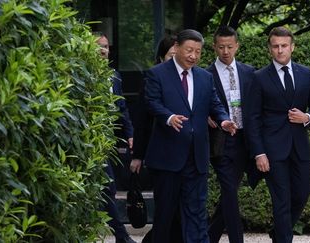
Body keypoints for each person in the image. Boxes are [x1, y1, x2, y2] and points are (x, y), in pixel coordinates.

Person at [143, 29, 236, 243]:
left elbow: (214, 104)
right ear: (176, 47)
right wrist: (169, 117)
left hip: (196, 158)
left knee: (196, 214)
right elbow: (152, 102)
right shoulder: (157, 73)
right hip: (167, 157)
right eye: (189, 50)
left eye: (198, 51)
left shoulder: (205, 77)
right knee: (165, 216)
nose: (193, 56)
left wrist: (223, 120)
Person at [246, 26, 310, 243]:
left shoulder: (305, 74)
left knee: (302, 193)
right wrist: (259, 152)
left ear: (292, 47)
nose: (280, 50)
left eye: (284, 46)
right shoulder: (259, 77)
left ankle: (279, 231)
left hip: (299, 146)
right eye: (275, 46)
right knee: (281, 200)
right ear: (270, 49)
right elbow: (252, 119)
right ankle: (283, 238)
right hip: (272, 150)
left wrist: (306, 117)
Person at [130, 35, 183, 243]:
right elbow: (142, 122)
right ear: (161, 58)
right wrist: (138, 155)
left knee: (182, 209)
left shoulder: (191, 79)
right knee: (165, 208)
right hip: (160, 152)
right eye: (171, 56)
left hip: (184, 154)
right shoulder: (152, 80)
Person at [206, 26, 255, 243]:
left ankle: (209, 237)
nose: (225, 51)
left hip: (245, 140)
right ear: (214, 47)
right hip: (220, 141)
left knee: (229, 192)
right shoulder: (205, 75)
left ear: (237, 46)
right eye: (221, 47)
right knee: (229, 190)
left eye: (230, 47)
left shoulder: (249, 72)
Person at [97, 34, 136, 243]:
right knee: (108, 187)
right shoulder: (84, 77)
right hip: (92, 139)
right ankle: (122, 236)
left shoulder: (115, 76)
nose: (103, 51)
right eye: (98, 47)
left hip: (109, 140)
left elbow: (122, 109)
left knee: (109, 188)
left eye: (105, 47)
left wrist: (130, 134)